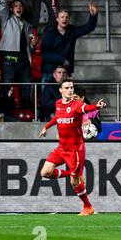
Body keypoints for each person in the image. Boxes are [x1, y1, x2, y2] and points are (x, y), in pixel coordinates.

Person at [38, 77, 107, 216]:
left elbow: (86, 108)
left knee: (74, 183)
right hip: (61, 148)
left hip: (75, 150)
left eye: (71, 88)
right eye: (67, 88)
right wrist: (46, 127)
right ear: (61, 90)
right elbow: (57, 118)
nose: (70, 90)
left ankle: (88, 207)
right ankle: (73, 173)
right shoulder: (58, 103)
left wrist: (96, 106)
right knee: (45, 172)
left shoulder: (76, 104)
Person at [0, 0, 38, 109]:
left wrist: (32, 45)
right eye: (15, 5)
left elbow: (30, 49)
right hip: (10, 59)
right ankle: (4, 111)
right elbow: (2, 3)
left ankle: (27, 112)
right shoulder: (6, 20)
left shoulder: (27, 25)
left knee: (26, 89)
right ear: (11, 9)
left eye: (20, 5)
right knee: (6, 88)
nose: (18, 7)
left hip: (24, 61)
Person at [40, 4, 98, 85]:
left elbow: (88, 28)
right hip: (49, 71)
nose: (65, 19)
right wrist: (62, 59)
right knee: (47, 96)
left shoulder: (72, 30)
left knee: (66, 96)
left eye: (66, 17)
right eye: (62, 17)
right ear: (57, 19)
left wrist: (93, 15)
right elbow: (45, 54)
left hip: (65, 71)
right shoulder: (49, 32)